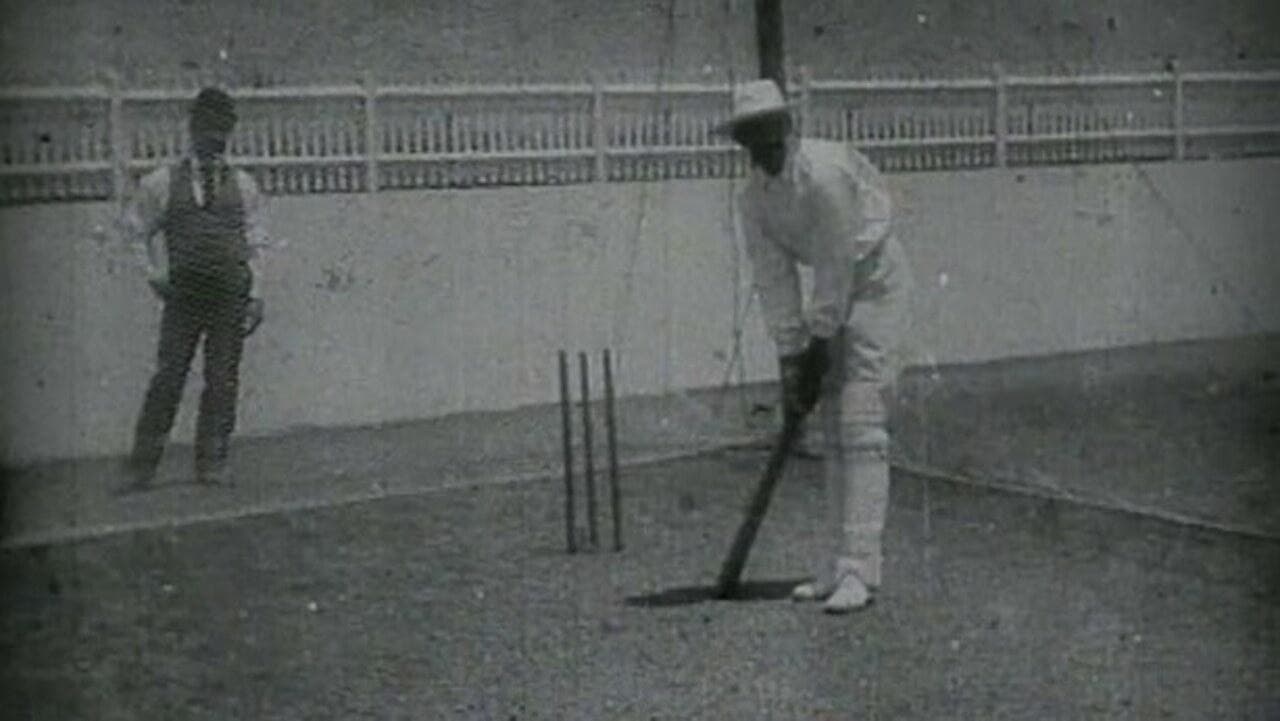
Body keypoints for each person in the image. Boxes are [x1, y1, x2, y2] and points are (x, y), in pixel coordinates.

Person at [718, 79, 913, 613]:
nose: (763, 145)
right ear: (742, 141)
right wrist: (790, 358)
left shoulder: (825, 177)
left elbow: (834, 263)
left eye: (770, 131)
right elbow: (774, 279)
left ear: (787, 126)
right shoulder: (752, 200)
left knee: (861, 422)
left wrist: (818, 344)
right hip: (836, 285)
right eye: (750, 136)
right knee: (829, 431)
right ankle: (833, 565)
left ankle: (860, 571)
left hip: (874, 281)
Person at [119, 86, 273, 489]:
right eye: (207, 126)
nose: (214, 136)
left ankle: (212, 462)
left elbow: (257, 243)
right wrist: (154, 275)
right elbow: (135, 232)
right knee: (169, 376)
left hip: (229, 296)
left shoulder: (244, 185)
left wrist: (256, 295)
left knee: (222, 378)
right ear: (192, 127)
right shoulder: (162, 182)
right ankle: (142, 466)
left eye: (222, 128)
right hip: (184, 296)